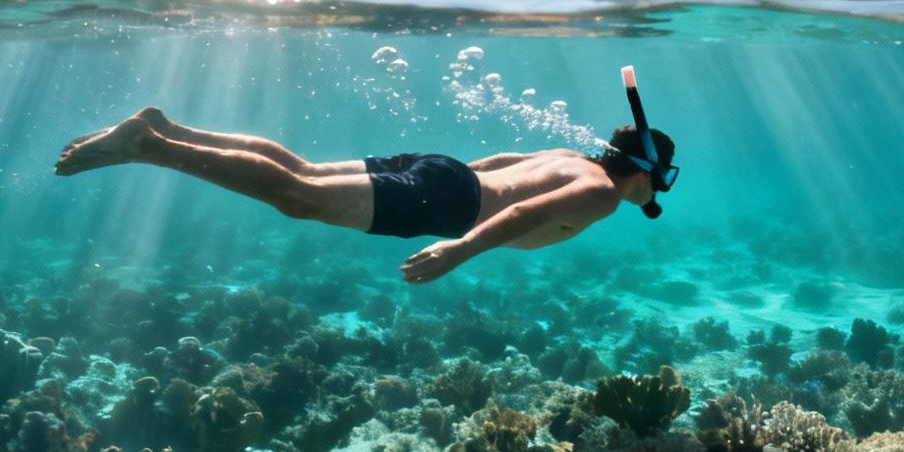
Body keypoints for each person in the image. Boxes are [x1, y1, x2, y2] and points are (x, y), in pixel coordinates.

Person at [54, 103, 677, 284]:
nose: (658, 193)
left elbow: (494, 166)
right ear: (646, 171)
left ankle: (168, 127)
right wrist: (456, 250)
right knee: (296, 197)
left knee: (299, 171)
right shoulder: (597, 192)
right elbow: (522, 211)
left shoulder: (570, 156)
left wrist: (433, 178)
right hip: (449, 203)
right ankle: (149, 147)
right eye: (664, 180)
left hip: (444, 172)